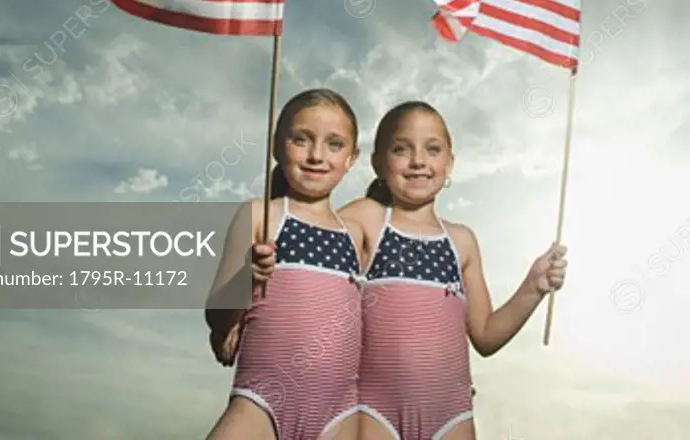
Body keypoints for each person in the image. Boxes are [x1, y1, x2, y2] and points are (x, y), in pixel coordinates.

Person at [339, 100, 568, 440]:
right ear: (378, 162)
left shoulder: (461, 241)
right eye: (402, 149)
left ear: (450, 163)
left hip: (452, 417)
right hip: (374, 412)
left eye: (433, 150)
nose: (418, 161)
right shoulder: (367, 219)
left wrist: (533, 286)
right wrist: (230, 308)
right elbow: (282, 230)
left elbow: (486, 336)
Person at [204, 87, 364, 440]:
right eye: (301, 140)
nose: (316, 155)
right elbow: (216, 313)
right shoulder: (260, 215)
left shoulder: (356, 234)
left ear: (353, 157)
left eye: (334, 144)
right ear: (277, 146)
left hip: (340, 411)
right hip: (259, 402)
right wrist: (246, 279)